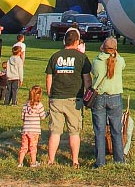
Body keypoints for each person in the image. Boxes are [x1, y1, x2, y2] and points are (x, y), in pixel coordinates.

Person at [45, 28, 92, 167]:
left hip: (56, 98)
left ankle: (51, 160)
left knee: (55, 131)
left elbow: (49, 77)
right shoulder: (81, 58)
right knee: (74, 132)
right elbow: (87, 79)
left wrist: (49, 94)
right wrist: (88, 93)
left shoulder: (55, 56)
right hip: (74, 98)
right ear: (77, 42)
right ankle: (75, 161)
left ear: (64, 40)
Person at [90, 37, 126, 167]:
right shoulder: (120, 60)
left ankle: (100, 162)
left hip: (99, 97)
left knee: (99, 130)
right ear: (115, 49)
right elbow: (122, 65)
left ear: (102, 47)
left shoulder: (96, 61)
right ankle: (119, 160)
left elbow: (94, 73)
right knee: (116, 129)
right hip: (115, 96)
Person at [18, 85, 46, 167]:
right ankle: (33, 162)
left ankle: (20, 163)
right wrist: (48, 112)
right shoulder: (39, 105)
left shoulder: (25, 106)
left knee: (24, 147)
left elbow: (22, 117)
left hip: (25, 130)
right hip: (34, 131)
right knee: (33, 147)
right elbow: (43, 117)